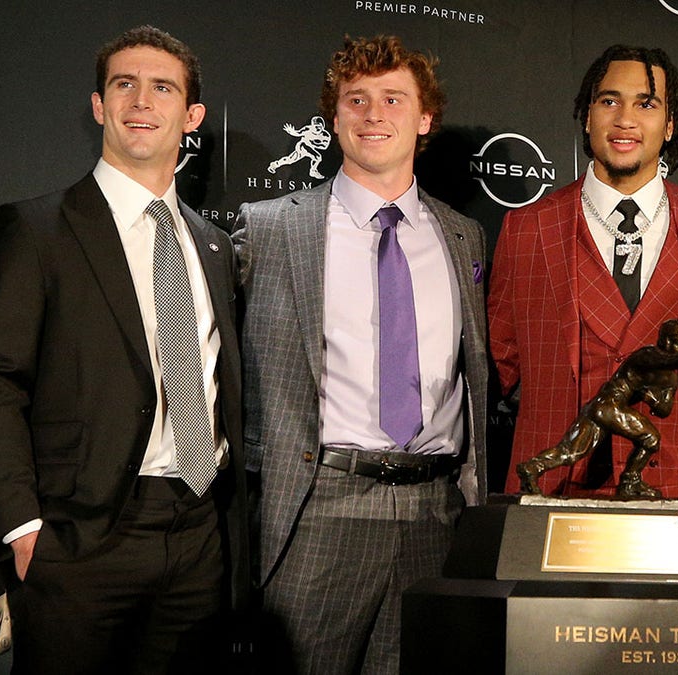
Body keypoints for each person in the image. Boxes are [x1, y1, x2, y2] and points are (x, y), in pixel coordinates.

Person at [0, 25, 248, 674]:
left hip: (199, 534)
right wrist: (24, 531)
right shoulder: (34, 229)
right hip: (78, 539)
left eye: (162, 87)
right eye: (125, 84)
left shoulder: (214, 246)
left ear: (191, 115)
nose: (141, 100)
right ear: (99, 106)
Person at [233, 35, 487, 674]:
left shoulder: (463, 236)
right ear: (335, 116)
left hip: (436, 516)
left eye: (393, 98)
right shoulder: (270, 227)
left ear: (424, 119)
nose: (374, 114)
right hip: (318, 508)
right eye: (357, 99)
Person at [489, 44, 678, 553]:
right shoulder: (526, 228)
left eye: (646, 104)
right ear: (586, 115)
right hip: (557, 495)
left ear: (670, 124)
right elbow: (505, 358)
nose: (625, 119)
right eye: (609, 101)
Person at [517, 320, 678, 498]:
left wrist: (650, 397)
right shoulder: (647, 355)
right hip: (608, 404)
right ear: (665, 341)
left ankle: (532, 468)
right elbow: (665, 361)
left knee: (572, 451)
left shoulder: (671, 378)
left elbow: (664, 410)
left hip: (604, 409)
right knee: (647, 439)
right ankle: (629, 481)